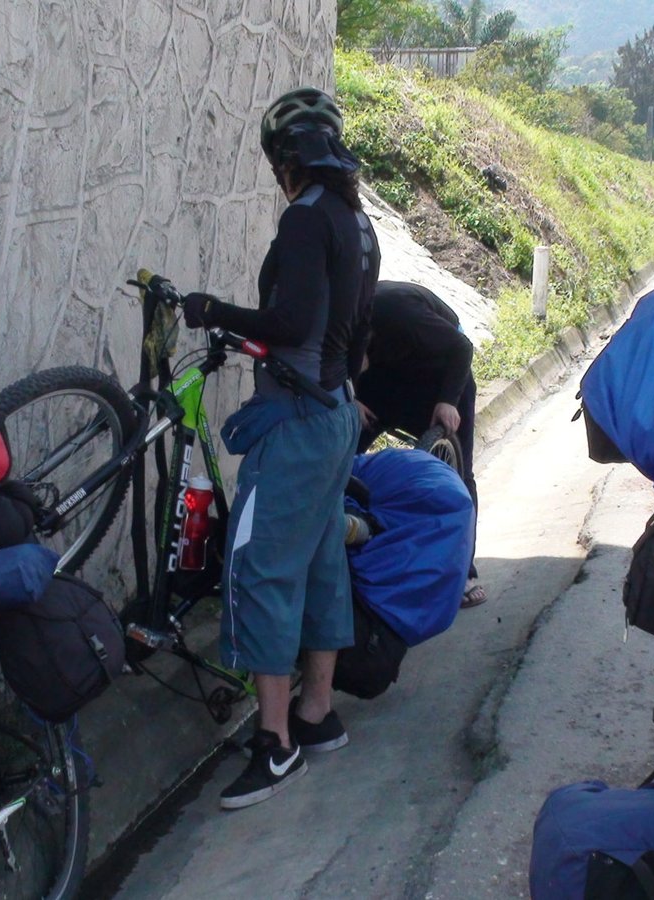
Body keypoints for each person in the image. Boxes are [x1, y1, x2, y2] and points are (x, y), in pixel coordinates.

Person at [179, 87, 380, 810]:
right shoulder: (358, 222)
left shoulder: (304, 220)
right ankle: (317, 712)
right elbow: (358, 338)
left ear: (287, 160)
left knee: (259, 565)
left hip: (295, 424)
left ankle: (275, 743)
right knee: (321, 560)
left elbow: (290, 320)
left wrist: (212, 311)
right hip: (335, 415)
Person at [355, 280, 483, 607]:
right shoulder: (341, 319)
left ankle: (464, 572)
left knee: (459, 475)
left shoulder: (397, 312)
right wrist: (349, 398)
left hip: (440, 379)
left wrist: (448, 401)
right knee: (342, 455)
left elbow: (461, 347)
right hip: (382, 382)